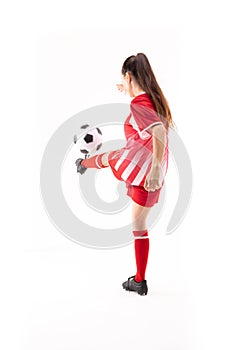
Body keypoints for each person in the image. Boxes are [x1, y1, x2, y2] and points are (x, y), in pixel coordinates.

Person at [75, 53, 174, 296]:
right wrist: (127, 88)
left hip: (145, 168)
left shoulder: (139, 105)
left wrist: (154, 169)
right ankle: (139, 280)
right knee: (139, 224)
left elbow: (159, 130)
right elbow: (153, 125)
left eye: (124, 79)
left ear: (129, 76)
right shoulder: (150, 99)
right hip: (153, 169)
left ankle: (83, 163)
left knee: (111, 157)